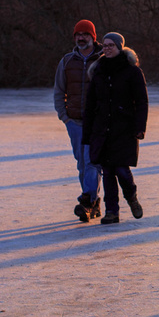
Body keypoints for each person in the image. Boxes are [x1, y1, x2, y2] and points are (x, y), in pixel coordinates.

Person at [82, 31, 149, 224]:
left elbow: (142, 101)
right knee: (108, 171)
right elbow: (90, 105)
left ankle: (131, 197)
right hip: (102, 129)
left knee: (121, 169)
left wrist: (140, 127)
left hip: (124, 129)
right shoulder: (98, 71)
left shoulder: (132, 71)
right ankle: (112, 212)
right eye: (104, 45)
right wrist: (87, 134)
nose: (107, 48)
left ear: (120, 47)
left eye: (111, 45)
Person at [56, 21, 104, 221]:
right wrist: (64, 116)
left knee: (93, 161)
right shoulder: (67, 61)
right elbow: (59, 90)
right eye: (78, 34)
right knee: (82, 163)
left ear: (93, 37)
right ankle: (92, 203)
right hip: (74, 122)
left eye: (85, 34)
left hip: (97, 122)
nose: (81, 37)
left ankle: (87, 201)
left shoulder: (103, 60)